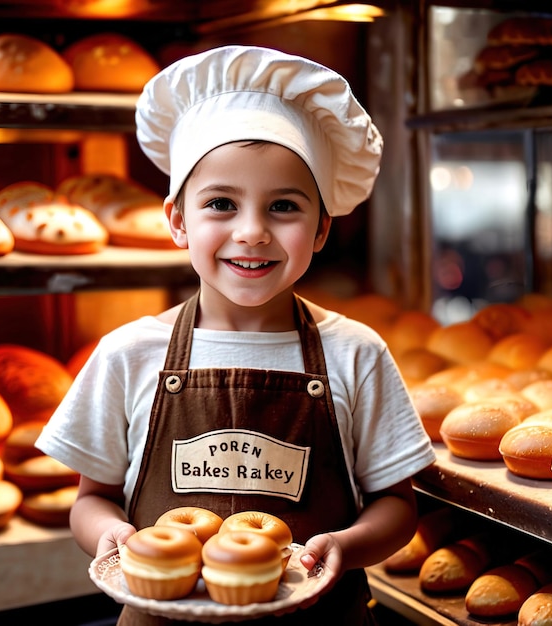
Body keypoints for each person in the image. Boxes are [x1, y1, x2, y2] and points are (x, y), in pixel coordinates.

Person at [36, 45, 436, 626]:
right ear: (177, 220)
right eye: (221, 203)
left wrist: (347, 548)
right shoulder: (128, 353)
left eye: (283, 207)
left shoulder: (357, 353)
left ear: (322, 227)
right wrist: (110, 536)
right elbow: (90, 500)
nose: (251, 232)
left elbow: (398, 506)